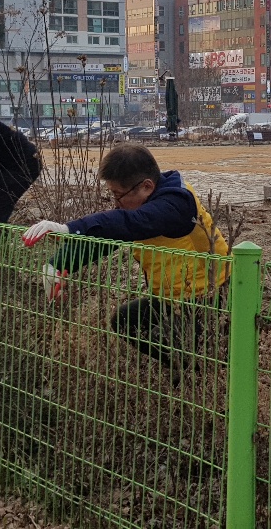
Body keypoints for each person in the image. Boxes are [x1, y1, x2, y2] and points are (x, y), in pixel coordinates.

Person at [21, 144, 229, 372]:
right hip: (173, 297)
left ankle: (196, 373)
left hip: (210, 297)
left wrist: (69, 228)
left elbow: (127, 223)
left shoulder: (176, 205)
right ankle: (184, 368)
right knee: (124, 321)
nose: (116, 203)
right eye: (113, 194)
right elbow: (111, 237)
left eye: (119, 195)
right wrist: (58, 264)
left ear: (147, 186)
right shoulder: (146, 203)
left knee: (196, 349)